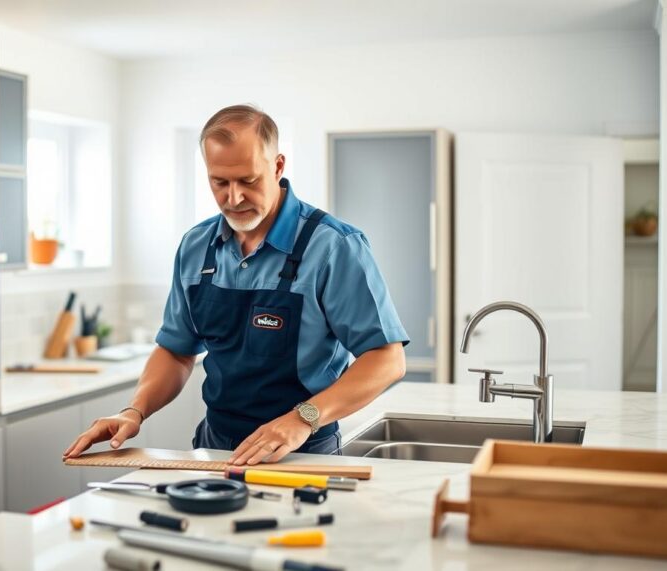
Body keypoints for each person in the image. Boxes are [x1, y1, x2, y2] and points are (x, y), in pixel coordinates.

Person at [63, 104, 408, 466]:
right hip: (214, 446)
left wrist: (301, 419)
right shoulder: (196, 246)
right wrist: (134, 411)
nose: (233, 197)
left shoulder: (333, 246)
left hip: (302, 451)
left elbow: (387, 359)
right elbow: (177, 350)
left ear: (277, 167)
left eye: (248, 180)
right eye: (220, 182)